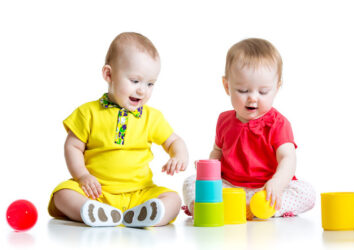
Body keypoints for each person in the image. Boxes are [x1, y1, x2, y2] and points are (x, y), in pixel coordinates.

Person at [48, 32, 189, 227]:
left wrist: (178, 155)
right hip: (95, 192)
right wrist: (82, 176)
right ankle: (94, 211)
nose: (142, 90)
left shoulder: (151, 117)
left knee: (173, 199)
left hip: (140, 192)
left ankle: (145, 215)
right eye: (135, 81)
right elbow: (73, 146)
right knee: (62, 195)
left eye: (150, 84)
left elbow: (174, 140)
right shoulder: (88, 112)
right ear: (109, 74)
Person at [182, 38, 315, 219]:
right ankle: (204, 208)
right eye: (243, 91)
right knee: (191, 182)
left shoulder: (278, 123)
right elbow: (217, 152)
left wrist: (277, 182)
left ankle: (259, 209)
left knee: (306, 193)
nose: (252, 98)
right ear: (227, 86)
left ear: (277, 88)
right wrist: (209, 170)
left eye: (263, 92)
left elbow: (288, 158)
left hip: (265, 190)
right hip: (230, 188)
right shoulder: (223, 120)